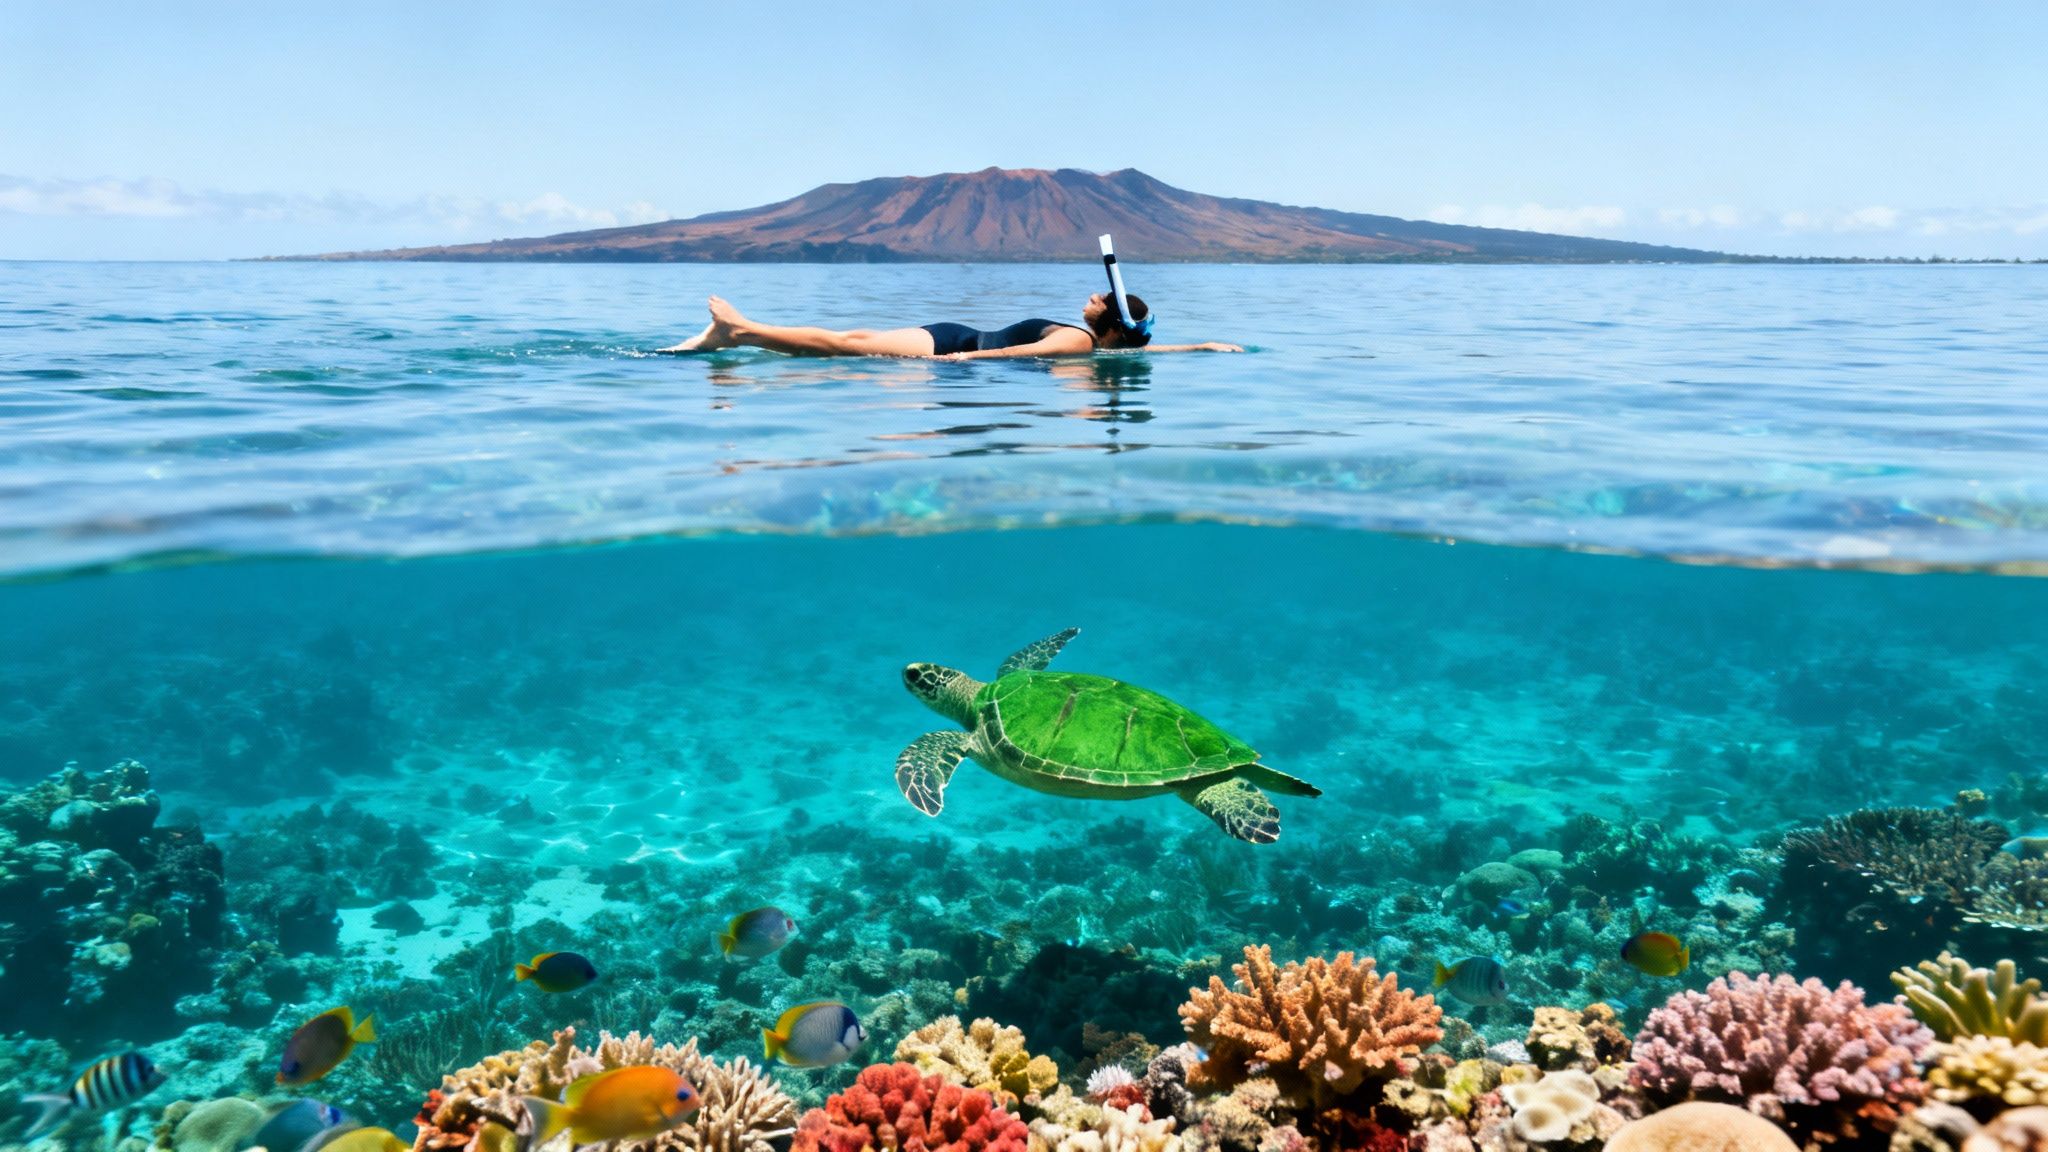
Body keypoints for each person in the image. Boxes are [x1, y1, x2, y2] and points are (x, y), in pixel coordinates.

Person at [658, 294, 1243, 358]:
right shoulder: (1099, 346)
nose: (1092, 295)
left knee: (845, 345)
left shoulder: (1078, 339)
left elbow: (1015, 359)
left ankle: (738, 332)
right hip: (949, 339)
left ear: (1110, 319)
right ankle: (737, 335)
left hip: (949, 348)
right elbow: (1139, 351)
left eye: (1103, 297)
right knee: (845, 347)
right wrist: (1201, 344)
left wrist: (962, 363)